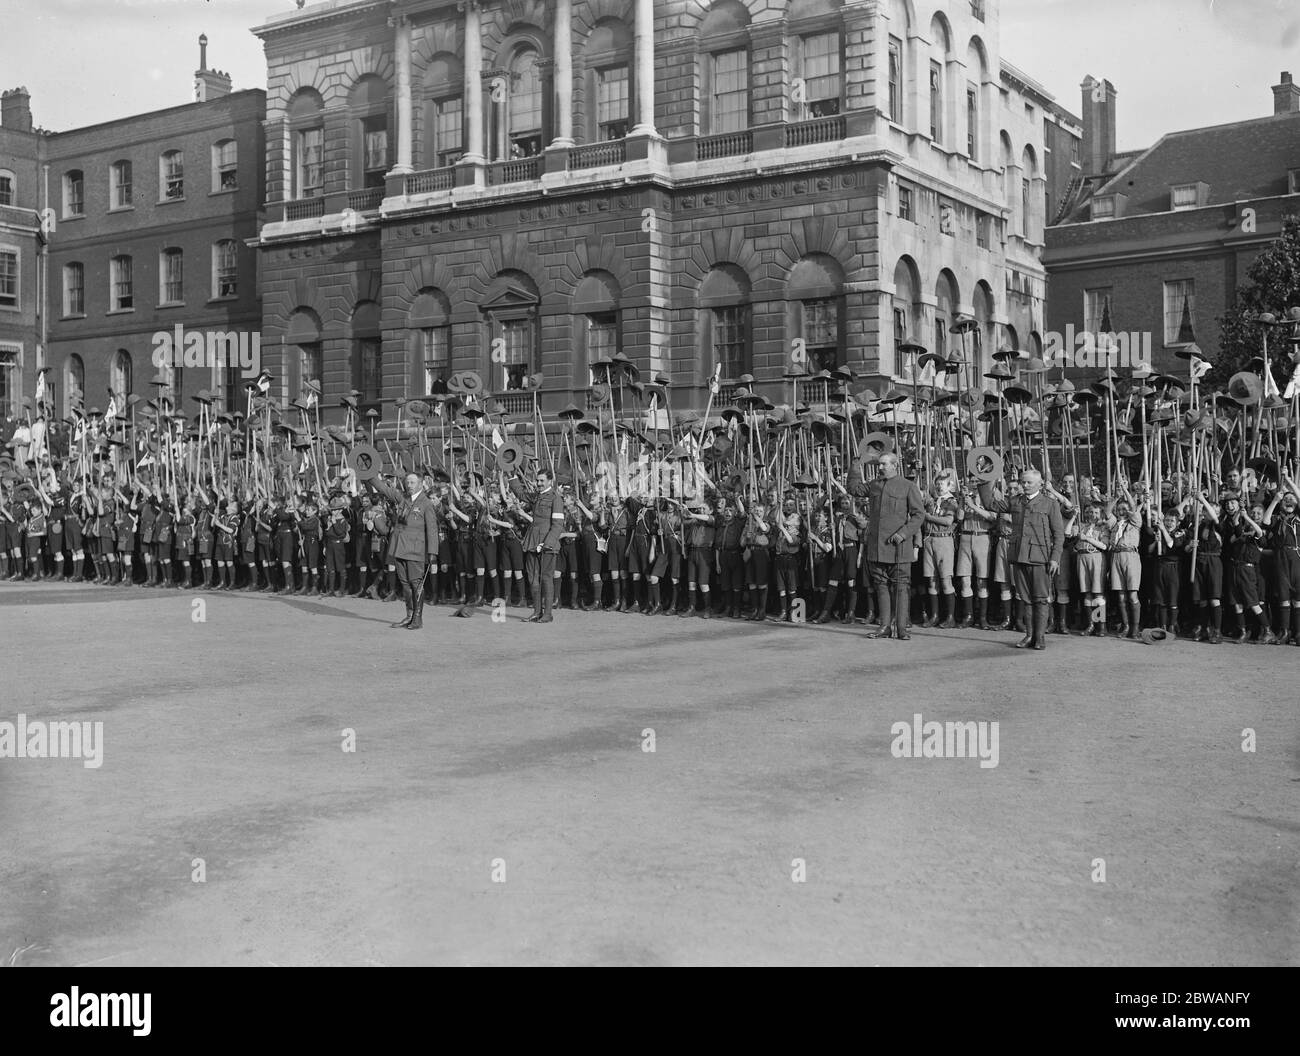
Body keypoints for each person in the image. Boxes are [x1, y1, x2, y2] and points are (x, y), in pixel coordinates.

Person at [973, 467, 1065, 651]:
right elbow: (991, 504)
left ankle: (1039, 638)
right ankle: (1029, 635)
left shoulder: (1049, 504)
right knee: (1026, 599)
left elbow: (1059, 534)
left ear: (1039, 484)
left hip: (1040, 558)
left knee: (1040, 599)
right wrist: (984, 481)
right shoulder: (1015, 502)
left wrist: (1055, 558)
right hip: (1019, 556)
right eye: (1023, 482)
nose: (1025, 485)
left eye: (1029, 482)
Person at [855, 452, 926, 641]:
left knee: (902, 587)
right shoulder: (874, 485)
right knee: (881, 586)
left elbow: (919, 515)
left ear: (895, 465)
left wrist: (903, 534)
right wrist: (855, 463)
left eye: (884, 464)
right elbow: (853, 488)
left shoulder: (908, 486)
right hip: (877, 547)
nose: (880, 467)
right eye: (879, 464)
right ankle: (884, 626)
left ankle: (902, 628)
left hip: (899, 548)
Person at [368, 470, 439, 630]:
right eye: (407, 482)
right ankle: (409, 616)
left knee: (416, 584)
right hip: (399, 547)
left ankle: (417, 618)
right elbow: (384, 489)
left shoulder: (426, 503)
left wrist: (433, 552)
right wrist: (368, 475)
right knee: (405, 584)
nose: (409, 485)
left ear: (421, 484)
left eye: (413, 482)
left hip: (415, 549)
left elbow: (432, 529)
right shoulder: (403, 498)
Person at [520, 466, 565, 623]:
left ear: (550, 481)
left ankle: (548, 614)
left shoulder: (555, 498)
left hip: (547, 544)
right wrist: (511, 475)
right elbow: (520, 494)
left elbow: (558, 524)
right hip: (532, 541)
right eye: (537, 480)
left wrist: (547, 543)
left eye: (541, 481)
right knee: (533, 578)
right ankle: (536, 612)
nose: (538, 483)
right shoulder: (537, 496)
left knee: (546, 578)